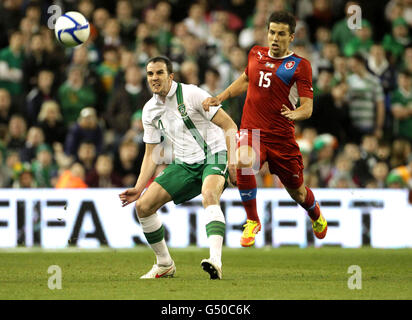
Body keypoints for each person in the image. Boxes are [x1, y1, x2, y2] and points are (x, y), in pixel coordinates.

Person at [202, 11, 328, 247]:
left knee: (298, 193)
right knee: (242, 160)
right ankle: (252, 220)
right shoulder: (255, 54)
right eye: (272, 32)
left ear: (291, 37)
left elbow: (308, 107)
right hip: (253, 132)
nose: (275, 38)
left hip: (282, 138)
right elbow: (245, 79)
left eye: (281, 34)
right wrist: (221, 96)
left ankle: (315, 213)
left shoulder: (300, 66)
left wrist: (295, 113)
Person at [119, 56, 237, 280]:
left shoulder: (193, 94)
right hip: (184, 163)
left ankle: (215, 260)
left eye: (159, 73)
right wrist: (138, 187)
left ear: (170, 76)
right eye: (150, 74)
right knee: (143, 207)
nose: (154, 78)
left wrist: (232, 161)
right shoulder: (149, 110)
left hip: (214, 155)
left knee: (209, 194)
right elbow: (151, 153)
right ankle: (164, 264)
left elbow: (229, 125)